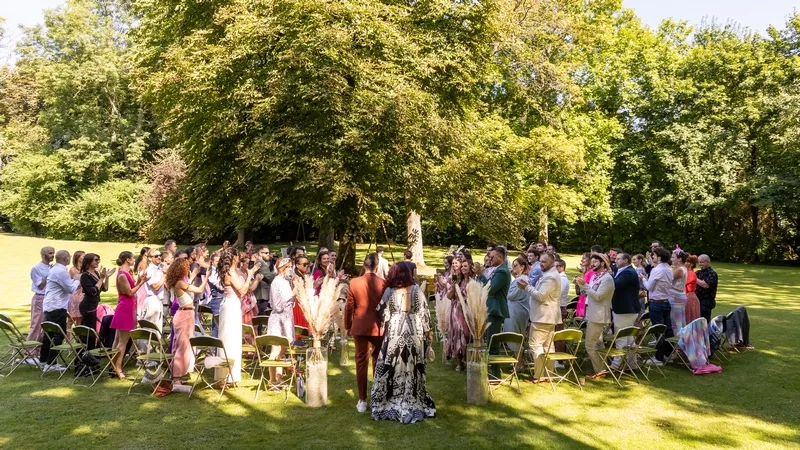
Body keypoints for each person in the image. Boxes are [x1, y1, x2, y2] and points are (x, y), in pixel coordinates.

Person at [371, 263, 435, 423]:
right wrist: (429, 332)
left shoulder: (389, 291)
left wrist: (389, 319)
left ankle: (390, 398)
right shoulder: (416, 290)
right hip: (414, 331)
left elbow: (380, 310)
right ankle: (414, 398)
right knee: (413, 365)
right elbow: (424, 313)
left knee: (392, 364)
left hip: (395, 331)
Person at [345, 253, 386, 413]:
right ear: (377, 266)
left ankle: (362, 399)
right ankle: (376, 399)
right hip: (377, 326)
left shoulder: (354, 282)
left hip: (360, 325)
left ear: (364, 265)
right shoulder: (383, 283)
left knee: (361, 362)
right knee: (378, 361)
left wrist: (347, 325)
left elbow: (349, 306)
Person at [217, 247, 259, 385]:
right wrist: (251, 273)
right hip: (231, 305)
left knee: (228, 337)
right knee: (230, 339)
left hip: (228, 304)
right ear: (234, 257)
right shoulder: (231, 272)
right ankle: (228, 375)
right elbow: (243, 290)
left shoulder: (228, 271)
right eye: (238, 255)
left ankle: (226, 374)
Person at [517, 253, 561, 382]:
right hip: (547, 316)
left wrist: (526, 287)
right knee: (547, 346)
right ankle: (548, 374)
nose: (541, 264)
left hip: (543, 316)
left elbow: (541, 296)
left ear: (552, 263)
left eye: (544, 262)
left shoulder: (551, 277)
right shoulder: (549, 275)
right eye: (540, 261)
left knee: (536, 345)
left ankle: (539, 375)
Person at [166, 258, 208, 387]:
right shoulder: (179, 283)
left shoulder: (177, 282)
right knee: (182, 346)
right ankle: (176, 377)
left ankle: (178, 374)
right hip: (184, 315)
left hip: (186, 313)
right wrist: (206, 278)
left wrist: (194, 275)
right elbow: (199, 290)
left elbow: (187, 286)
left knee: (184, 345)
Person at [40, 250, 80, 373]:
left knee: (49, 334)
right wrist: (77, 279)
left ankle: (43, 360)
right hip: (57, 306)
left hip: (50, 305)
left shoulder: (54, 269)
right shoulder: (61, 271)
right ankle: (51, 363)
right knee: (59, 334)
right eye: (69, 257)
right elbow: (70, 289)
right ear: (65, 258)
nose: (69, 259)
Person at [575, 252, 614, 379]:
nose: (592, 264)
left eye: (595, 262)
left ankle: (599, 370)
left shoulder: (607, 279)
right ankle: (602, 369)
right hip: (592, 313)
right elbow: (588, 294)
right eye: (592, 261)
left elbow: (598, 296)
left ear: (603, 263)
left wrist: (585, 286)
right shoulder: (596, 277)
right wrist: (582, 287)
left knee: (589, 345)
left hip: (599, 315)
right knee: (598, 343)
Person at [111, 251, 149, 379]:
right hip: (125, 308)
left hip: (129, 307)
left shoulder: (127, 273)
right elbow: (130, 292)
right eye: (132, 258)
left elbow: (133, 287)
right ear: (127, 259)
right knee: (123, 341)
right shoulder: (122, 275)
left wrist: (140, 280)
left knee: (119, 340)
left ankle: (113, 365)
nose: (134, 260)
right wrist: (141, 283)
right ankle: (118, 368)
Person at [641, 246, 674, 365]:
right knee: (668, 329)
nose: (652, 257)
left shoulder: (657, 270)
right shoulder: (669, 269)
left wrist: (643, 279)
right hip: (666, 301)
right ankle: (668, 353)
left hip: (657, 303)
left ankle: (659, 357)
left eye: (653, 256)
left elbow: (649, 287)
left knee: (659, 330)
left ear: (659, 258)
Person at [482, 246, 511, 379]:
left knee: (493, 343)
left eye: (492, 257)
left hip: (496, 310)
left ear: (500, 257)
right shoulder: (498, 269)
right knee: (490, 341)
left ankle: (495, 374)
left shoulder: (502, 272)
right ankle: (493, 372)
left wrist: (481, 275)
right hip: (491, 309)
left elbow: (490, 289)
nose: (489, 259)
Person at [267, 257, 294, 388]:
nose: (290, 269)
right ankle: (272, 380)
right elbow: (277, 305)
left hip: (286, 318)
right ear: (281, 268)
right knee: (276, 349)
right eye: (288, 267)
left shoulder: (285, 281)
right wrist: (293, 293)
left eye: (290, 267)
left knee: (284, 347)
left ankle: (279, 377)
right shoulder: (277, 282)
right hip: (278, 319)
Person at [611, 253, 641, 369]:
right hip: (625, 308)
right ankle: (632, 363)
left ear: (626, 260)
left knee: (621, 337)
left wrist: (609, 276)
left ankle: (616, 364)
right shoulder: (624, 271)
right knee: (628, 337)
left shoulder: (628, 272)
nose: (616, 261)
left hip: (625, 309)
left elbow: (616, 284)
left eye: (618, 259)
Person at [79, 254, 114, 353]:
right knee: (89, 332)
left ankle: (90, 354)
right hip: (87, 306)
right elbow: (93, 291)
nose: (98, 262)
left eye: (99, 260)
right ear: (89, 262)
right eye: (95, 260)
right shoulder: (85, 276)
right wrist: (101, 279)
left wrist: (106, 277)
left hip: (93, 305)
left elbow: (104, 288)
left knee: (91, 331)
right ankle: (88, 354)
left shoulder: (96, 273)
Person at [446, 257, 472, 371]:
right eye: (462, 266)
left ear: (470, 268)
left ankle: (467, 359)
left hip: (469, 310)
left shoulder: (473, 281)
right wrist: (453, 287)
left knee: (467, 335)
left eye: (466, 266)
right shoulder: (458, 280)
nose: (463, 268)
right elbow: (449, 297)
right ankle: (459, 361)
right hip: (457, 309)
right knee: (457, 334)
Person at [29, 246, 54, 347]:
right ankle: (29, 352)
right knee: (36, 325)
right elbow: (40, 285)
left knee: (46, 326)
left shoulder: (51, 267)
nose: (53, 255)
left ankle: (40, 350)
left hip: (50, 298)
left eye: (53, 253)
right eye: (50, 253)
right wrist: (50, 273)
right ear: (43, 255)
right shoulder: (36, 268)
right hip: (40, 298)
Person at [503, 255, 531, 344]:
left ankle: (518, 357)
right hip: (518, 310)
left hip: (516, 312)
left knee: (515, 339)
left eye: (515, 265)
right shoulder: (521, 279)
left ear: (522, 267)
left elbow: (510, 296)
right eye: (513, 265)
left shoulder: (521, 279)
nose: (513, 267)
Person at [142, 248, 166, 332]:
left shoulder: (158, 269)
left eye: (160, 255)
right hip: (152, 300)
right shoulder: (150, 270)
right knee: (150, 329)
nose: (159, 257)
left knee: (157, 330)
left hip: (158, 301)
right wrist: (164, 275)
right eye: (156, 256)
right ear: (150, 258)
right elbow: (155, 287)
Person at [291, 254, 312, 342]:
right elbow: (297, 291)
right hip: (298, 304)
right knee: (300, 327)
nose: (306, 266)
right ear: (297, 265)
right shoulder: (296, 277)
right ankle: (298, 347)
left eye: (307, 264)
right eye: (304, 264)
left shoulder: (303, 275)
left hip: (304, 302)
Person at [669, 250, 689, 336]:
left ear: (679, 259)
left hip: (675, 297)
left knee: (676, 323)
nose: (671, 259)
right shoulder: (683, 269)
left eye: (673, 257)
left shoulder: (680, 270)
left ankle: (679, 344)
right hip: (679, 296)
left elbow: (668, 280)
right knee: (680, 321)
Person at [695, 254, 718, 322]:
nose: (699, 264)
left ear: (708, 262)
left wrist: (694, 278)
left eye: (702, 262)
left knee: (704, 320)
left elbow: (706, 285)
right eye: (699, 262)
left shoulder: (712, 273)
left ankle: (705, 331)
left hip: (706, 301)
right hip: (698, 299)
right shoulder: (698, 272)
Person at [67, 251, 85, 331]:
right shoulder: (73, 269)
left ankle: (78, 340)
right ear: (77, 258)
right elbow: (78, 279)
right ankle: (67, 339)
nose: (84, 257)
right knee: (71, 319)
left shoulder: (85, 269)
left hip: (83, 295)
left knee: (80, 319)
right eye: (83, 256)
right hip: (75, 296)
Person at [684, 255, 702, 324]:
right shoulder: (687, 272)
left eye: (686, 262)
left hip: (690, 298)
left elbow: (682, 284)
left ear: (690, 264)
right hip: (687, 297)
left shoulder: (691, 273)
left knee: (690, 319)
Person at [576, 252, 593, 318]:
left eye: (584, 258)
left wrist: (579, 283)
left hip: (586, 297)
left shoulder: (591, 272)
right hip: (582, 296)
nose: (582, 260)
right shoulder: (586, 272)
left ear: (590, 260)